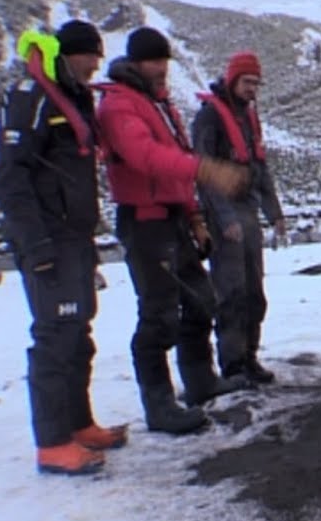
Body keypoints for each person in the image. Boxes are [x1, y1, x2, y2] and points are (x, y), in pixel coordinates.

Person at [94, 26, 251, 435]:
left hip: (174, 218)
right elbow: (146, 157)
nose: (162, 68)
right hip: (145, 222)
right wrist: (205, 169)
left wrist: (194, 217)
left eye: (164, 60)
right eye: (153, 60)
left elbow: (173, 164)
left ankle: (200, 381)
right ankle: (159, 404)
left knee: (201, 300)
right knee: (159, 314)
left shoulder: (157, 102)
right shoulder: (119, 105)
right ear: (135, 62)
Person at [0, 20, 127, 475]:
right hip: (48, 239)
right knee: (54, 337)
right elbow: (10, 179)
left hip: (75, 238)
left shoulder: (71, 97)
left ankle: (78, 424)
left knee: (78, 334)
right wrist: (36, 245)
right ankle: (52, 444)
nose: (96, 65)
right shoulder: (32, 98)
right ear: (68, 55)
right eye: (91, 56)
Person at [190, 51, 285, 384]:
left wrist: (274, 212)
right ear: (232, 80)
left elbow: (260, 168)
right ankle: (232, 365)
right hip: (224, 216)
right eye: (247, 82)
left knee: (254, 292)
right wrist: (225, 218)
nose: (252, 89)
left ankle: (249, 357)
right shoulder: (209, 118)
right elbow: (204, 172)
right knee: (232, 293)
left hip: (249, 212)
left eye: (256, 83)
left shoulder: (249, 118)